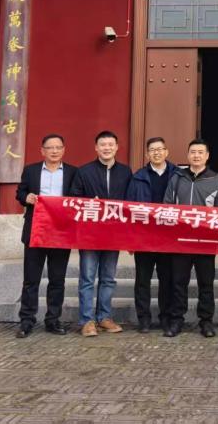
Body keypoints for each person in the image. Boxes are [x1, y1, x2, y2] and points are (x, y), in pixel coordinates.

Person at [14, 134, 78, 338]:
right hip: (36, 231)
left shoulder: (73, 172)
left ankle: (53, 320)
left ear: (64, 150)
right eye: (50, 147)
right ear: (42, 151)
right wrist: (26, 197)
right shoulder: (31, 170)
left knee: (57, 280)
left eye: (58, 147)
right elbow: (20, 193)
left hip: (60, 232)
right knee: (31, 280)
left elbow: (77, 197)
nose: (54, 151)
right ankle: (26, 321)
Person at [70, 130, 133, 337]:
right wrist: (90, 203)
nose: (107, 148)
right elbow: (73, 199)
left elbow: (131, 202)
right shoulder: (84, 171)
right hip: (90, 234)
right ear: (96, 148)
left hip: (113, 233)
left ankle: (104, 317)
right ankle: (86, 320)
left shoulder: (125, 172)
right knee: (87, 277)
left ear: (117, 147)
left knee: (108, 278)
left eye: (110, 144)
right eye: (103, 145)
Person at [163, 138, 218, 338]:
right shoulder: (177, 178)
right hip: (180, 241)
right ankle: (176, 320)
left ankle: (206, 321)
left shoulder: (216, 180)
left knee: (206, 283)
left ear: (207, 156)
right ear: (188, 155)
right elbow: (167, 205)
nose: (196, 156)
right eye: (193, 152)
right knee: (178, 282)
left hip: (205, 242)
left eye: (200, 152)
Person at [126, 136, 178, 333]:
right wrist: (131, 238)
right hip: (144, 236)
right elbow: (129, 208)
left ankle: (165, 317)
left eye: (160, 149)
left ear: (166, 152)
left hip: (168, 236)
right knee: (142, 280)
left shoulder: (177, 175)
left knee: (167, 279)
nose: (157, 153)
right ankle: (144, 318)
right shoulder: (138, 177)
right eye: (152, 150)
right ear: (147, 154)